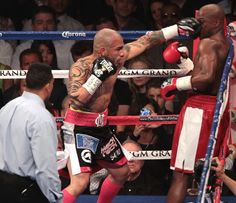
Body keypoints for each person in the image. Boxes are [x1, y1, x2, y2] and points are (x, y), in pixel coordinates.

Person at [61, 17, 201, 203]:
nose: (123, 52)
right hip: (78, 127)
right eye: (118, 49)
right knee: (79, 182)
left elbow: (146, 41)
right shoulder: (81, 67)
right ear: (102, 51)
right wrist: (96, 78)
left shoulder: (118, 59)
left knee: (121, 172)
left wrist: (176, 29)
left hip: (101, 127)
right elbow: (76, 98)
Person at [160, 4, 231, 203]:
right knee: (205, 173)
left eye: (201, 22)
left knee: (181, 175)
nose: (196, 26)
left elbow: (205, 78)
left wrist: (176, 83)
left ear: (216, 22)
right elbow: (208, 74)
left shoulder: (207, 43)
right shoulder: (225, 43)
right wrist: (185, 62)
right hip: (215, 108)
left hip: (198, 111)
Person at [0, 63, 62, 203]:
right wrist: (56, 198)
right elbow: (45, 168)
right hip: (25, 191)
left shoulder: (7, 107)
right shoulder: (42, 117)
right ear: (48, 86)